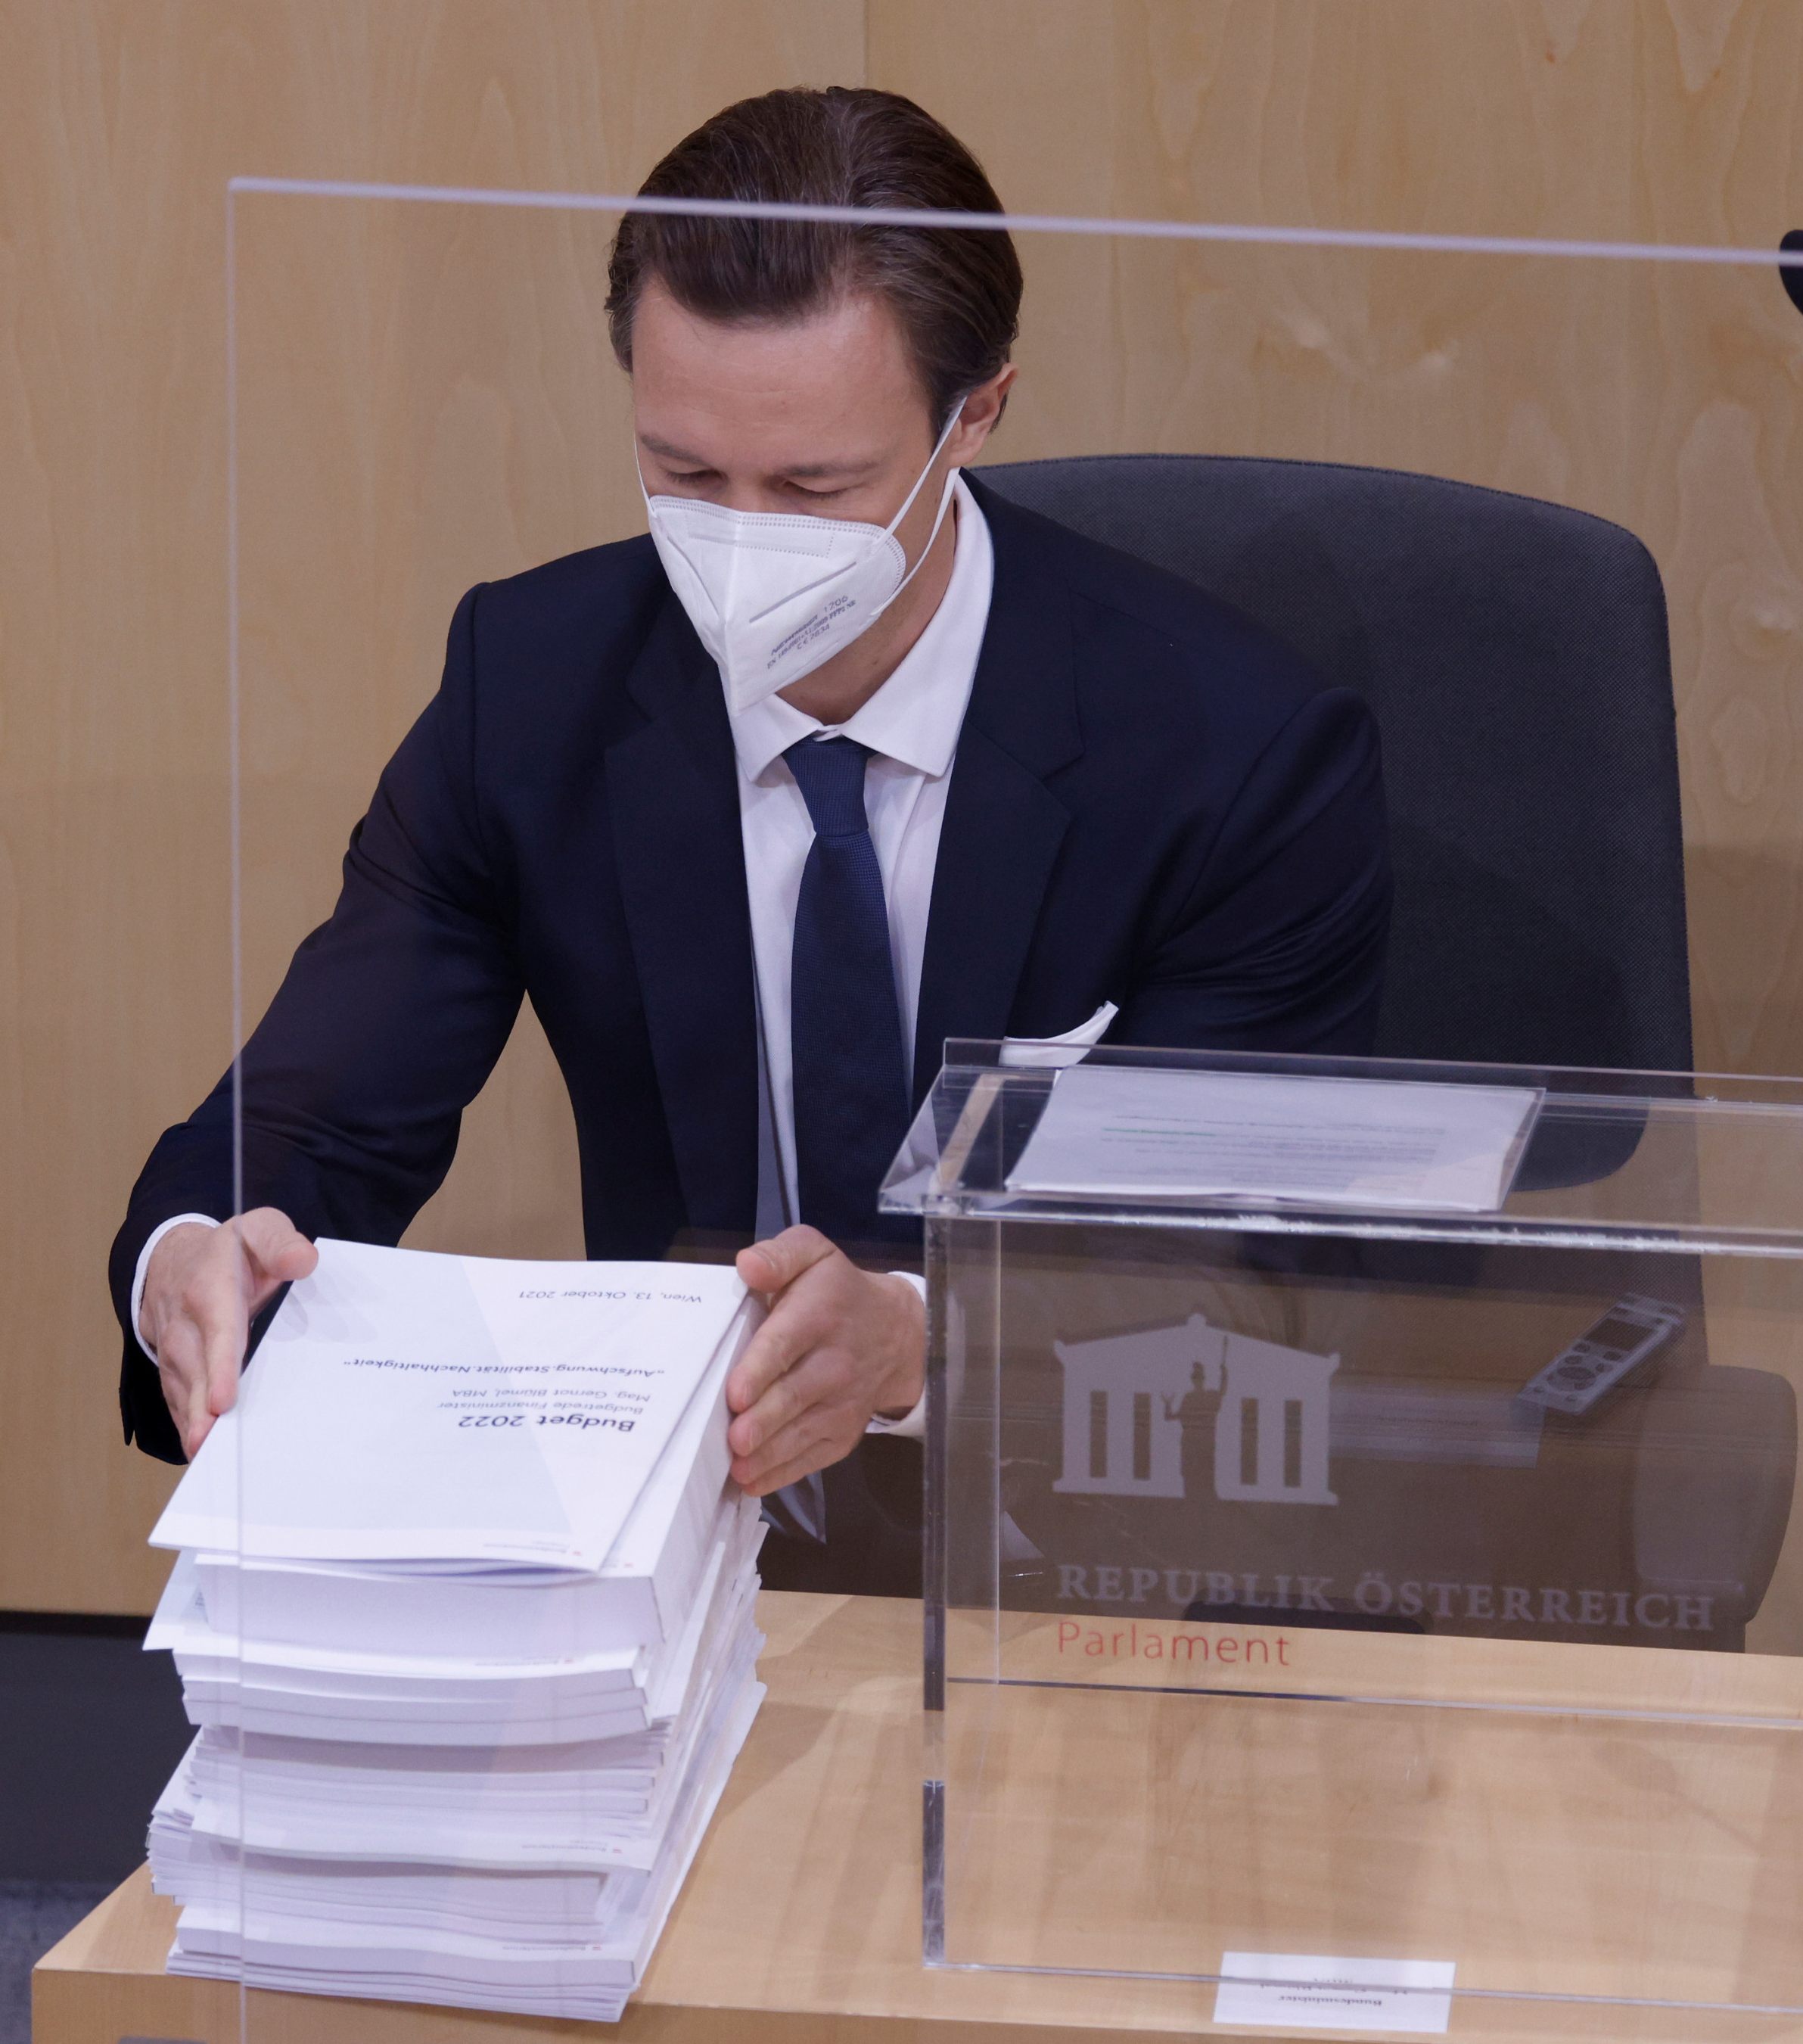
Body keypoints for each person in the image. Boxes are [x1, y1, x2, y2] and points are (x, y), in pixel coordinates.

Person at [109, 86, 1392, 1596]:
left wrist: (921, 1336)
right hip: (687, 1546)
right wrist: (191, 1254)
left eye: (814, 488)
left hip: (1102, 1546)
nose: (738, 540)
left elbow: (1239, 1266)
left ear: (976, 412)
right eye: (686, 475)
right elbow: (322, 1112)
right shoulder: (534, 691)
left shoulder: (1234, 752)